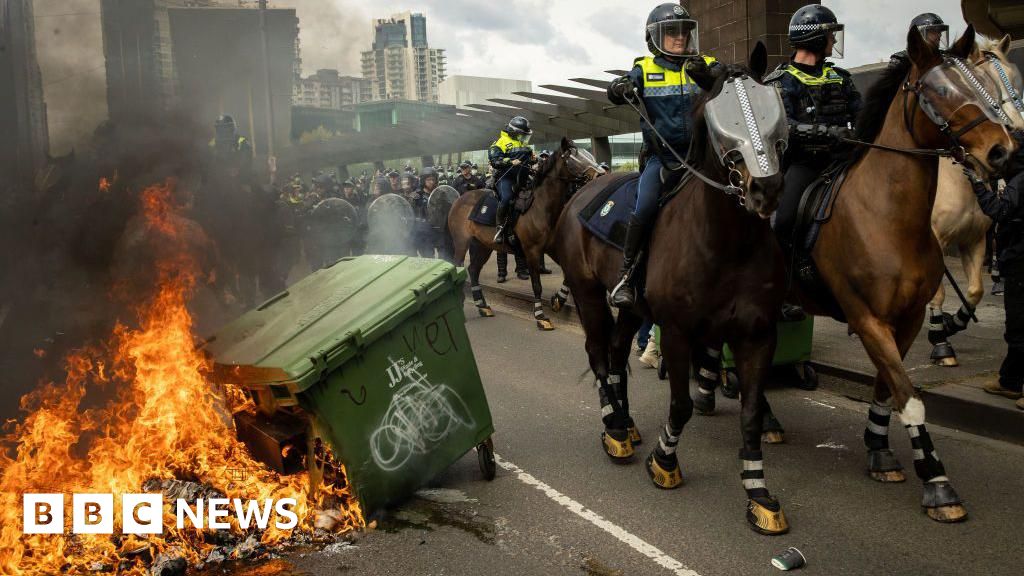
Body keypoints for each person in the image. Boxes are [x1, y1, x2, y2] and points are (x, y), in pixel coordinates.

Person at [606, 3, 717, 308]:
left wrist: (709, 77)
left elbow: (729, 82)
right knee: (643, 208)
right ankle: (626, 276)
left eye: (684, 31)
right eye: (671, 32)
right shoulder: (644, 67)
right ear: (655, 37)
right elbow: (617, 91)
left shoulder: (705, 62)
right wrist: (619, 87)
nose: (680, 37)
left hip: (704, 159)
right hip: (663, 160)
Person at [766, 4, 861, 320]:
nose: (833, 42)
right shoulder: (780, 80)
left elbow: (861, 116)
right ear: (816, 39)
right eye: (830, 35)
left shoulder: (839, 77)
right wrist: (828, 131)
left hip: (843, 163)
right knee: (784, 220)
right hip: (805, 165)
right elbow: (782, 127)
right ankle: (783, 287)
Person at [965, 132, 1024, 411]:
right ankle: (1010, 381)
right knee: (1016, 327)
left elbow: (999, 210)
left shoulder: (1020, 179)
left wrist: (977, 183)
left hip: (1021, 262)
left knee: (1019, 327)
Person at [489, 116, 535, 244]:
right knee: (507, 198)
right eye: (522, 134)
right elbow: (494, 161)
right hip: (506, 178)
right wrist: (509, 161)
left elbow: (530, 157)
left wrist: (534, 159)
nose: (524, 137)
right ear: (514, 132)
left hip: (524, 178)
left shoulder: (522, 143)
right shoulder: (499, 143)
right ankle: (500, 227)